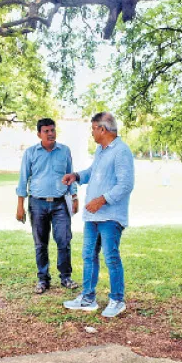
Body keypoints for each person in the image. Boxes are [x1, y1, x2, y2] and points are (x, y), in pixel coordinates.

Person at [61, 112, 135, 318]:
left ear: (102, 129)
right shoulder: (101, 151)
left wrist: (102, 200)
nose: (92, 133)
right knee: (88, 256)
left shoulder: (121, 151)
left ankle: (117, 300)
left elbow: (126, 184)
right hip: (92, 216)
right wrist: (76, 176)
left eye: (93, 128)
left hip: (111, 216)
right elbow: (92, 172)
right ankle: (88, 298)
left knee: (111, 257)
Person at [16, 118, 80, 294]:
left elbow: (70, 174)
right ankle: (43, 279)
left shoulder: (64, 151)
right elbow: (23, 180)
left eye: (52, 130)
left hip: (60, 203)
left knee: (64, 241)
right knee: (40, 244)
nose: (50, 133)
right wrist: (20, 205)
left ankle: (66, 277)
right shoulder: (30, 153)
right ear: (39, 134)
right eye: (46, 131)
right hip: (37, 203)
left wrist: (74, 197)